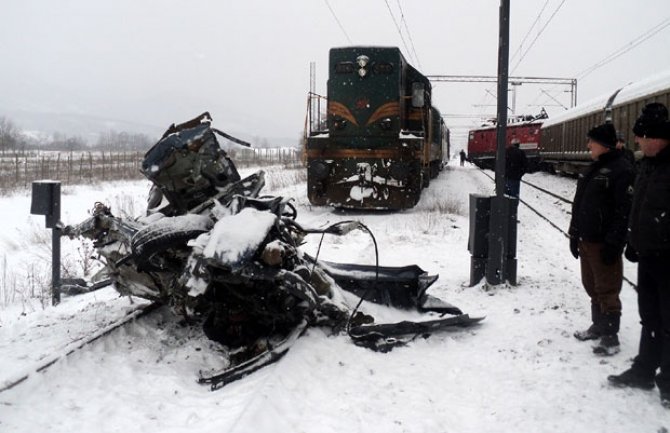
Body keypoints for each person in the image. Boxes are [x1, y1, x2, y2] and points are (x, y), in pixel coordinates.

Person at [608, 102, 670, 408]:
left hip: (667, 257)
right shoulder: (648, 163)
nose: (636, 142)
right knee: (650, 317)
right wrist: (633, 241)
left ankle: (668, 383)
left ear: (655, 136)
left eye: (640, 136)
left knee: (668, 321)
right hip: (648, 255)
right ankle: (645, 370)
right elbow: (640, 206)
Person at [568, 122, 635, 356]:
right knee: (591, 286)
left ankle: (610, 336)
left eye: (592, 142)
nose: (588, 145)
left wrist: (614, 242)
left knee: (607, 289)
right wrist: (574, 233)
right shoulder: (593, 168)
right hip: (586, 239)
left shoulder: (621, 170)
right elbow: (579, 204)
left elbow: (623, 211)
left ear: (604, 145)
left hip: (603, 242)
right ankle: (597, 326)